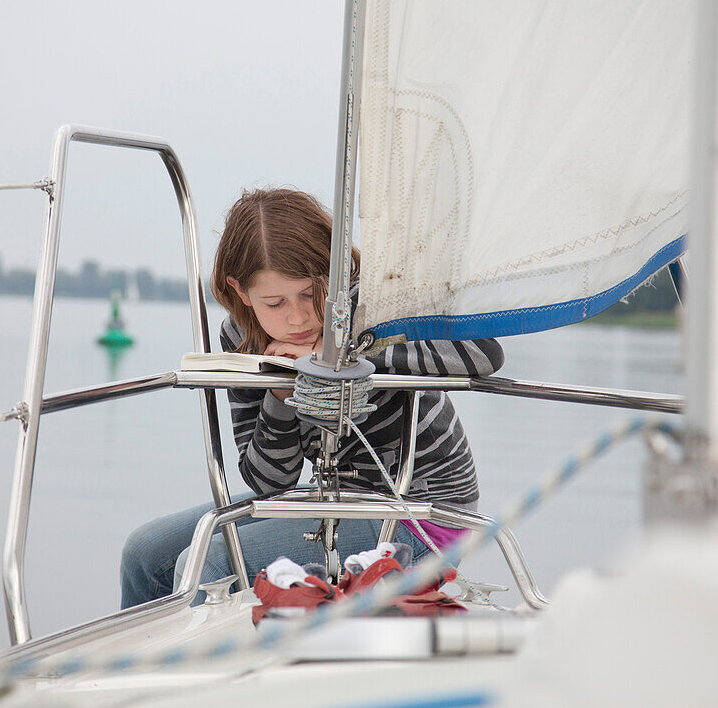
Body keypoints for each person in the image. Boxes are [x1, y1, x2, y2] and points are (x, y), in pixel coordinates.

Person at [119, 188, 503, 609]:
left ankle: (203, 673)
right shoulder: (240, 337)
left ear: (333, 274)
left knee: (208, 563)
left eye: (309, 293)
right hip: (334, 495)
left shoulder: (369, 305)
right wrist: (281, 396)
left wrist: (343, 353)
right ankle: (135, 672)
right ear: (241, 292)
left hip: (425, 515)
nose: (298, 316)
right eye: (275, 302)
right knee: (144, 554)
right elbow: (270, 483)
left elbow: (483, 351)